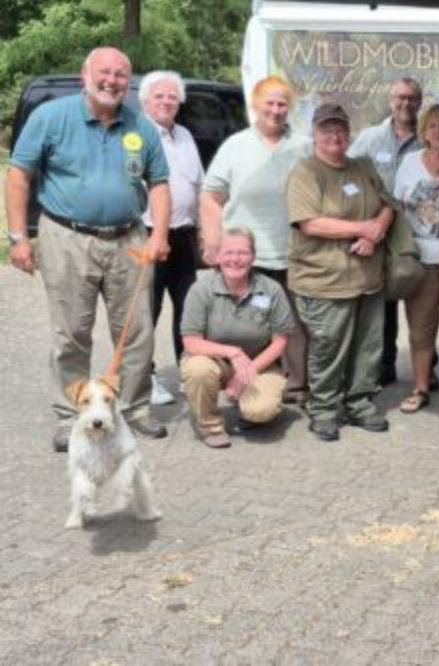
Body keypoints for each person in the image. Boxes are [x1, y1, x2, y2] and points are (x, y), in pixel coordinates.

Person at [6, 46, 170, 451]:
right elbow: (18, 175)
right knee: (71, 333)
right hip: (65, 237)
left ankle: (133, 409)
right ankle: (69, 415)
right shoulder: (51, 117)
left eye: (120, 75)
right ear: (85, 75)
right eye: (105, 72)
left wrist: (160, 234)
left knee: (136, 333)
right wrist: (17, 238)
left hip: (129, 238)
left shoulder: (141, 127)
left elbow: (161, 183)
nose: (112, 80)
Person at [201, 76, 311, 406]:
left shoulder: (303, 146)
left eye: (282, 104)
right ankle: (242, 381)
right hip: (244, 254)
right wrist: (212, 242)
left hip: (292, 251)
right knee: (246, 322)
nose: (276, 111)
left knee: (292, 323)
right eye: (270, 103)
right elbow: (211, 197)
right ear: (255, 105)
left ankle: (296, 385)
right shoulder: (235, 145)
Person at [286, 103, 394, 441]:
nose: (335, 135)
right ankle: (324, 409)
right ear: (315, 134)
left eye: (340, 129)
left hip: (367, 279)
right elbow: (310, 223)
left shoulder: (362, 166)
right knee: (329, 347)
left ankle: (360, 403)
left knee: (368, 346)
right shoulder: (306, 172)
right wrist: (363, 228)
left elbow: (388, 205)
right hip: (325, 281)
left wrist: (376, 231)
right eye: (327, 129)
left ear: (349, 132)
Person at [179, 228, 293, 448]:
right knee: (198, 369)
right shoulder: (201, 290)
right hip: (215, 360)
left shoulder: (271, 289)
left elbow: (280, 341)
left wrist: (244, 375)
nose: (235, 259)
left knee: (261, 411)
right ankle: (210, 426)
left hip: (259, 362)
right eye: (229, 252)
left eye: (242, 253)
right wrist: (232, 352)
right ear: (218, 256)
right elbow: (191, 342)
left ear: (253, 256)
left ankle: (247, 409)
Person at [392, 104, 439, 418]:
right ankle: (420, 387)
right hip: (419, 261)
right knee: (420, 330)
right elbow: (397, 208)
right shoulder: (410, 162)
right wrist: (404, 248)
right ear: (424, 131)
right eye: (433, 125)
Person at [349, 77, 425, 386]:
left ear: (420, 101)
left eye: (411, 98)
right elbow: (348, 172)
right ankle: (385, 364)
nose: (405, 103)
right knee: (384, 300)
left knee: (421, 301)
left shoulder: (428, 137)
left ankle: (426, 366)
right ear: (390, 99)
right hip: (379, 230)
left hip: (419, 231)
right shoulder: (369, 139)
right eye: (400, 97)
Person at [138, 70, 204, 406]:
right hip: (146, 235)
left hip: (184, 236)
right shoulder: (134, 135)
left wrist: (204, 232)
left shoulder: (186, 136)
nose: (166, 102)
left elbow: (199, 186)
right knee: (146, 310)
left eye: (172, 97)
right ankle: (142, 379)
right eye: (159, 96)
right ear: (145, 100)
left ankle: (189, 371)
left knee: (189, 308)